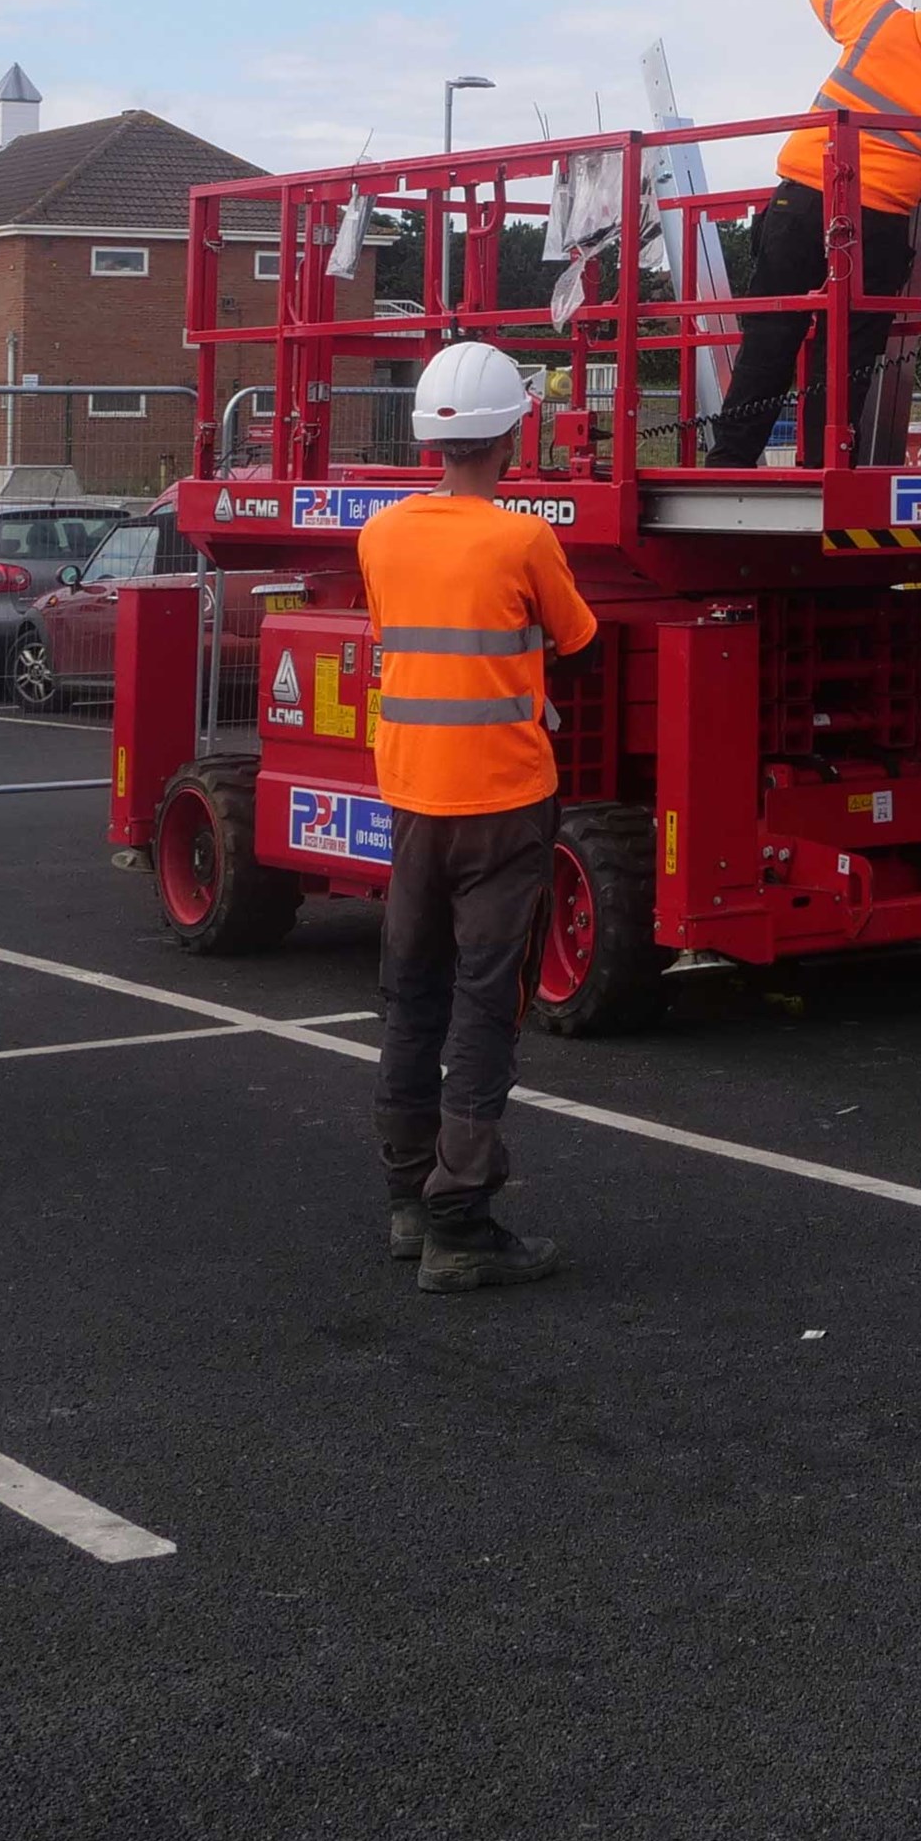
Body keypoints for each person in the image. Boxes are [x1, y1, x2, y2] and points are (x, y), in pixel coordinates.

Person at [357, 339, 596, 1292]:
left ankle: (409, 1205)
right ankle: (462, 1221)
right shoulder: (524, 539)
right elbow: (576, 638)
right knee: (484, 1010)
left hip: (413, 796)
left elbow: (404, 640)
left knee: (410, 999)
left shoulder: (380, 534)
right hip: (504, 803)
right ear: (512, 435)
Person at [701, 0, 921, 468]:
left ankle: (730, 460)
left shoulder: (881, 19)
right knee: (849, 351)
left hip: (805, 191)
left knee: (771, 333)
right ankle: (827, 466)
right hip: (882, 216)